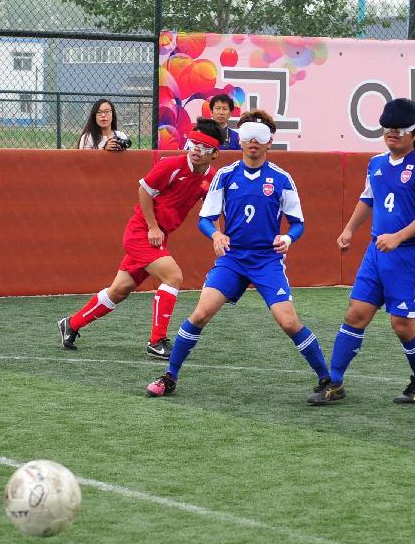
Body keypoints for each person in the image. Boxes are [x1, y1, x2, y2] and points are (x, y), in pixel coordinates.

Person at [146, 110, 329, 398]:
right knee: (200, 313)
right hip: (232, 259)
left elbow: (298, 224)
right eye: (247, 136)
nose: (253, 141)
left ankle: (328, 380)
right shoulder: (225, 175)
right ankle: (170, 376)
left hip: (267, 260)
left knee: (289, 322)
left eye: (260, 136)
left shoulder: (282, 179)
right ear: (239, 141)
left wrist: (288, 238)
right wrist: (216, 234)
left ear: (270, 142)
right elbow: (206, 219)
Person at [308, 98, 415, 406]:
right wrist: (349, 230)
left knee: (402, 324)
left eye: (399, 129)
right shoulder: (377, 163)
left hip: (410, 254)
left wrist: (397, 237)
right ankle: (335, 382)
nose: (391, 134)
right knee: (356, 313)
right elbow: (368, 198)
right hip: (376, 252)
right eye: (387, 129)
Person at [59, 117, 223, 360]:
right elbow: (144, 190)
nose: (196, 151)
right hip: (141, 233)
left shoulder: (212, 176)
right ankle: (157, 342)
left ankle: (71, 324)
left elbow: (211, 210)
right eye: (193, 144)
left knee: (119, 290)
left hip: (157, 237)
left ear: (215, 153)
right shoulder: (172, 166)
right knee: (173, 276)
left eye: (204, 147)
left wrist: (218, 234)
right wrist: (153, 226)